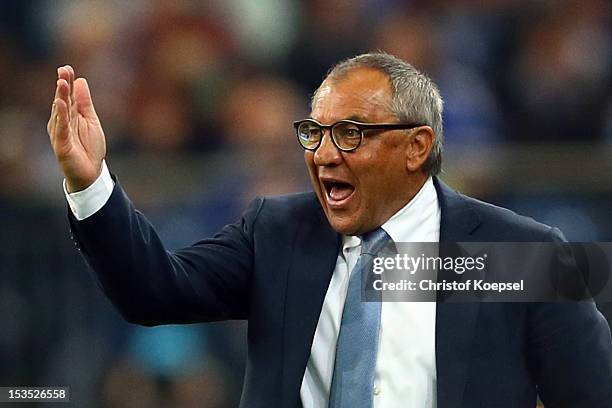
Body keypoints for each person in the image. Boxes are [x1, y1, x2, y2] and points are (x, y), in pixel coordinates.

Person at [47, 53, 612, 407]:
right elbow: (153, 290)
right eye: (313, 134)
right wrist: (92, 182)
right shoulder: (276, 231)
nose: (322, 155)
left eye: (348, 135)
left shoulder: (517, 254)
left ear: (417, 147)